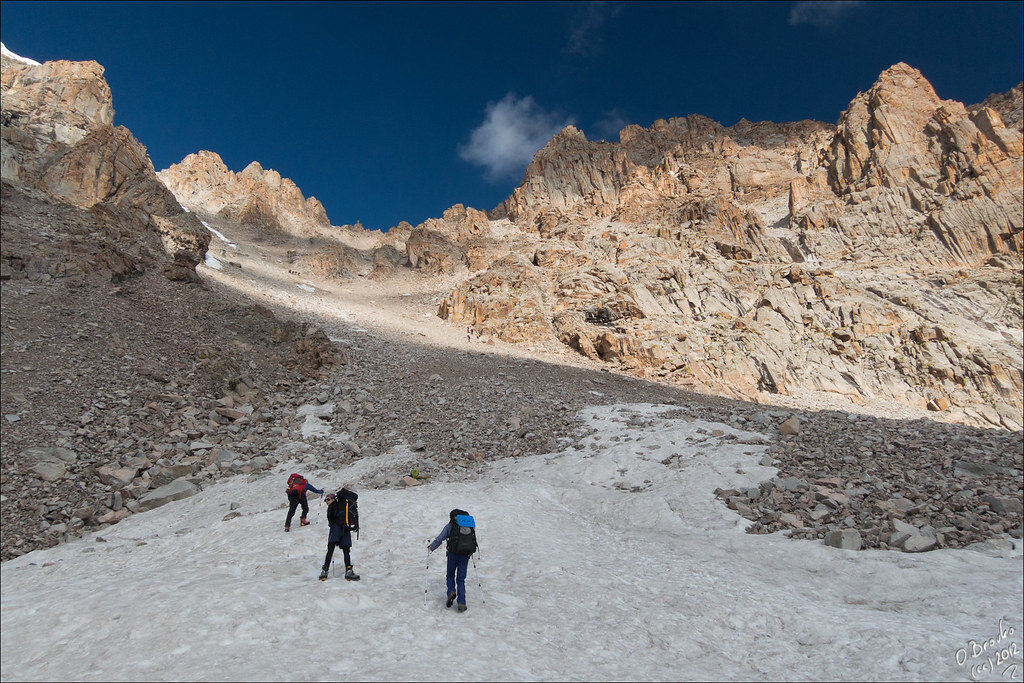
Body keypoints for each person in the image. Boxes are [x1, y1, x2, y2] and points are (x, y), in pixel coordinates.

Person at [427, 508, 477, 612]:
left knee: (450, 575)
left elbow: (440, 538)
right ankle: (461, 602)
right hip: (464, 555)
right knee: (461, 579)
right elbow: (473, 540)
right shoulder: (469, 526)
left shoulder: (450, 526)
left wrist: (431, 547)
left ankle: (451, 591)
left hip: (452, 554)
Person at [320, 486, 360, 581]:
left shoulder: (333, 506)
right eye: (326, 500)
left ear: (334, 499)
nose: (327, 501)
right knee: (346, 550)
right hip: (345, 529)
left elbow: (330, 517)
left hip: (336, 528)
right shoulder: (344, 505)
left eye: (328, 499)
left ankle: (324, 571)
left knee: (330, 549)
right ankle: (349, 571)